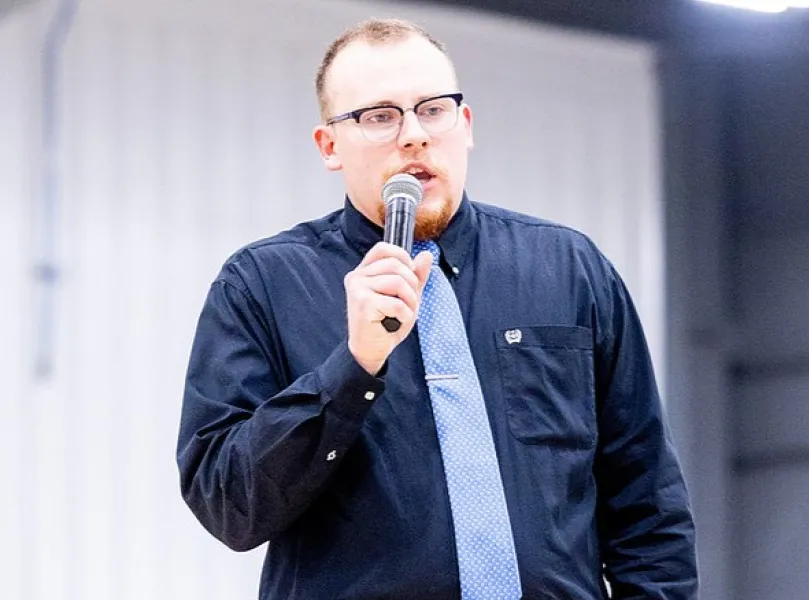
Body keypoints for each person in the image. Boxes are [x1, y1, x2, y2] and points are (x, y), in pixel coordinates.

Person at [176, 17, 698, 600]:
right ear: (329, 146)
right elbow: (229, 506)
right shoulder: (261, 285)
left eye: (433, 109)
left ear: (465, 125)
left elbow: (648, 504)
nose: (414, 136)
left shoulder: (570, 269)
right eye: (379, 116)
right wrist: (352, 368)